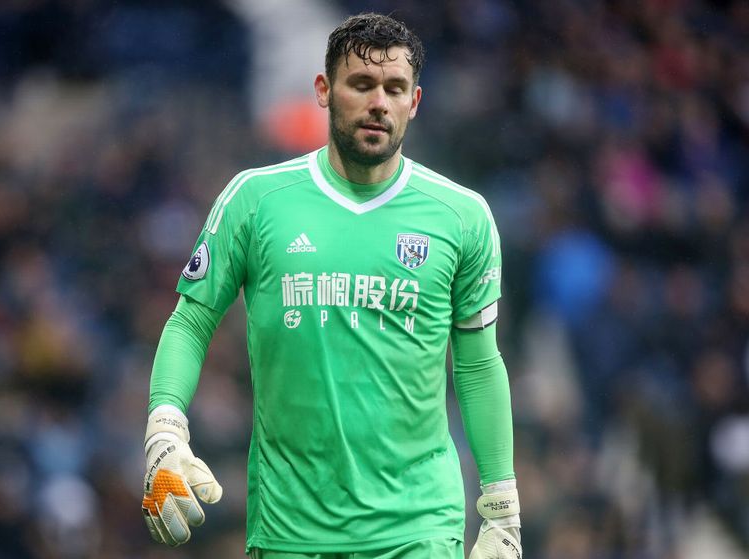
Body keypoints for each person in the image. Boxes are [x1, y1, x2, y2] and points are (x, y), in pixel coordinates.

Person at [141, 12, 522, 559]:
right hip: (290, 527)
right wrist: (165, 430)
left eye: (395, 89)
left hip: (419, 526)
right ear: (323, 90)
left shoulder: (462, 217)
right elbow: (191, 321)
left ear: (415, 102)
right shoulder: (255, 200)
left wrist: (502, 507)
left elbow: (479, 364)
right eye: (361, 84)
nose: (379, 103)